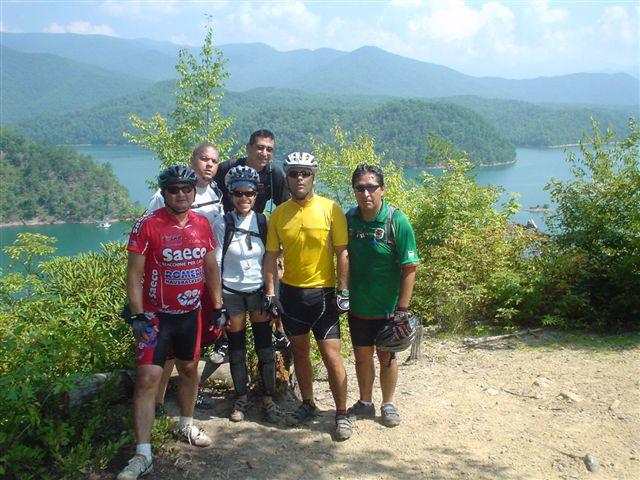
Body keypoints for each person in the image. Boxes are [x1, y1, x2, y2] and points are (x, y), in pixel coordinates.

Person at [118, 166, 226, 480]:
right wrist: (138, 314)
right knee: (147, 378)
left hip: (190, 314)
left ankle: (186, 424)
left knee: (190, 369)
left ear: (194, 191)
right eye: (174, 189)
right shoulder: (148, 225)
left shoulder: (202, 224)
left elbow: (210, 269)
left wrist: (218, 306)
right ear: (164, 193)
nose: (181, 194)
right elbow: (134, 274)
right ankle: (143, 453)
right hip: (155, 316)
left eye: (187, 189)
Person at [263, 152, 352, 441]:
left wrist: (343, 290)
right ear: (286, 178)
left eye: (305, 173)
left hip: (324, 295)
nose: (299, 178)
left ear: (313, 177)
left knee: (331, 356)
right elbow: (271, 256)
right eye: (293, 173)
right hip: (291, 295)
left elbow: (342, 252)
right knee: (300, 353)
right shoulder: (279, 213)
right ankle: (308, 403)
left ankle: (341, 413)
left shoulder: (330, 209)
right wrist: (271, 292)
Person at [147, 143, 224, 415]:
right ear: (193, 160)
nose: (209, 164)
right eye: (204, 159)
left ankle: (188, 397)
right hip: (170, 283)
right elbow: (148, 238)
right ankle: (157, 401)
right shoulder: (165, 194)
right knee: (167, 350)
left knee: (194, 346)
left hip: (203, 279)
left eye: (214, 160)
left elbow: (213, 241)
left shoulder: (215, 192)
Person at [345, 164, 420, 428]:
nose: (366, 193)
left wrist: (403, 309)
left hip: (388, 308)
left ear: (382, 189)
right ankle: (365, 402)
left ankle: (388, 403)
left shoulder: (396, 220)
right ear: (354, 191)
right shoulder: (349, 219)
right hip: (358, 306)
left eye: (371, 187)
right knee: (362, 356)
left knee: (387, 356)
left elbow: (409, 268)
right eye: (360, 188)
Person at [212, 165, 283, 423]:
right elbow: (216, 263)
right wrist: (218, 305)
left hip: (258, 293)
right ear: (230, 194)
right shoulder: (223, 223)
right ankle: (240, 398)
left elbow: (272, 259)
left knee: (265, 348)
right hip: (232, 294)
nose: (244, 198)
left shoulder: (264, 221)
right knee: (237, 350)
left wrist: (273, 294)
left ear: (256, 195)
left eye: (249, 193)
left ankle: (268, 398)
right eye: (238, 193)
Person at [214, 129, 289, 214]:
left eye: (269, 149)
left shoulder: (273, 174)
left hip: (254, 225)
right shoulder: (227, 168)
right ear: (248, 148)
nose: (264, 153)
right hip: (224, 223)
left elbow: (285, 205)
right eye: (260, 148)